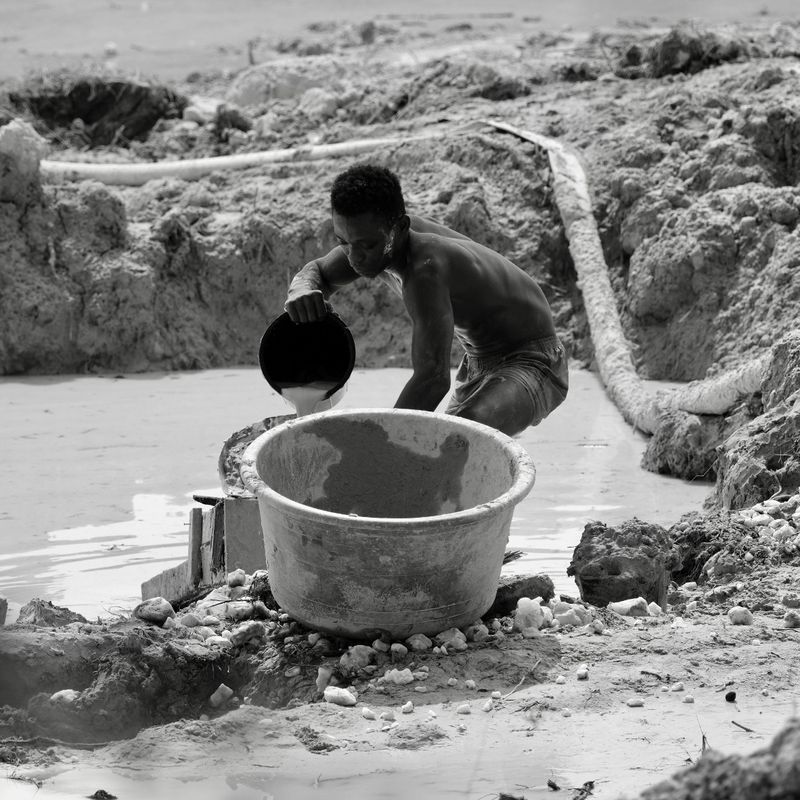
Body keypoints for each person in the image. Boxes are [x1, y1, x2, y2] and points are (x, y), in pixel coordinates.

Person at [283, 163, 568, 437]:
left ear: (401, 228)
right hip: (479, 359)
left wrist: (377, 441)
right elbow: (317, 271)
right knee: (442, 451)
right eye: (343, 242)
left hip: (533, 358)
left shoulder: (425, 269)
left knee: (459, 437)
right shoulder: (374, 243)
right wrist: (302, 290)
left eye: (367, 245)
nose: (354, 257)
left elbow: (432, 379)